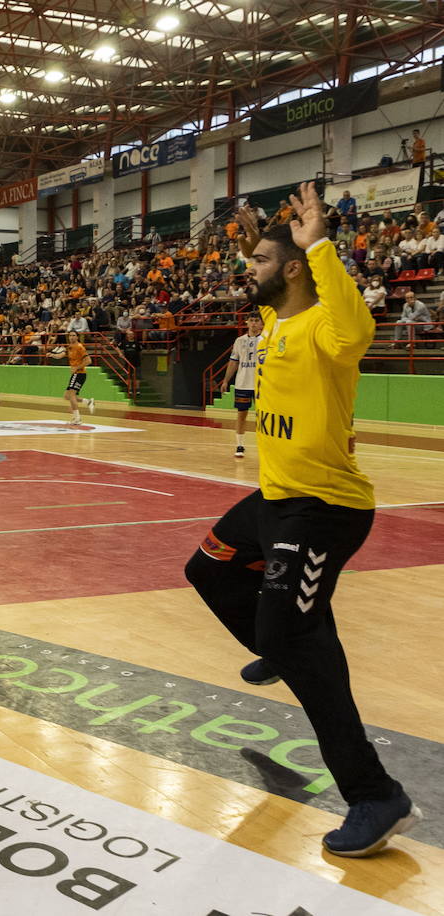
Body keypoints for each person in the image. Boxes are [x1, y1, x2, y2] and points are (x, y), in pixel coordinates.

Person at [184, 182, 419, 857]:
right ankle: (285, 641)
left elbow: (357, 323)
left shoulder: (324, 327)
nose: (246, 269)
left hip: (325, 509)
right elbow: (262, 268)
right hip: (274, 499)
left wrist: (317, 242)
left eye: (259, 260)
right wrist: (255, 231)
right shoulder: (278, 324)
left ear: (292, 270)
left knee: (291, 636)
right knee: (208, 569)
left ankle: (376, 796)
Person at [218, 311, 264, 458]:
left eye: (257, 320)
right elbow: (233, 362)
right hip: (243, 383)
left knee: (263, 416)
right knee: (241, 415)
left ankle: (265, 445)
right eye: (251, 320)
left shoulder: (266, 339)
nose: (254, 323)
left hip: (261, 384)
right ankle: (240, 445)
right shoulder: (239, 340)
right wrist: (226, 380)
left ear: (262, 323)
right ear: (247, 322)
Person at [63, 332, 95, 425]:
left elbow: (89, 360)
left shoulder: (80, 347)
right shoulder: (70, 347)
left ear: (77, 337)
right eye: (70, 335)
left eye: (73, 335)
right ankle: (88, 402)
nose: (71, 337)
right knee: (67, 396)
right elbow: (62, 355)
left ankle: (77, 418)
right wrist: (52, 355)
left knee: (72, 395)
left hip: (79, 373)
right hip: (75, 374)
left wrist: (77, 367)